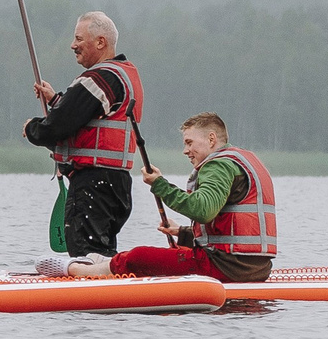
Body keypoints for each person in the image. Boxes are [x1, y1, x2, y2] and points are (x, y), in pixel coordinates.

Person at [21, 10, 141, 265]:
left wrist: (33, 127)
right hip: (116, 183)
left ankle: (91, 300)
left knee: (87, 254)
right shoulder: (123, 74)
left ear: (100, 42)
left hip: (93, 184)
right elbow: (87, 116)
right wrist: (55, 100)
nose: (72, 45)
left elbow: (57, 126)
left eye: (78, 39)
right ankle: (109, 291)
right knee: (101, 253)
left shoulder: (99, 78)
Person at [105, 111, 277, 282]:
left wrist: (159, 184)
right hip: (258, 269)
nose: (185, 151)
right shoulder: (243, 161)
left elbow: (203, 211)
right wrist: (183, 233)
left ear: (211, 139)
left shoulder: (218, 165)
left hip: (225, 268)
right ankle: (103, 263)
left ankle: (88, 270)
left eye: (189, 143)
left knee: (137, 257)